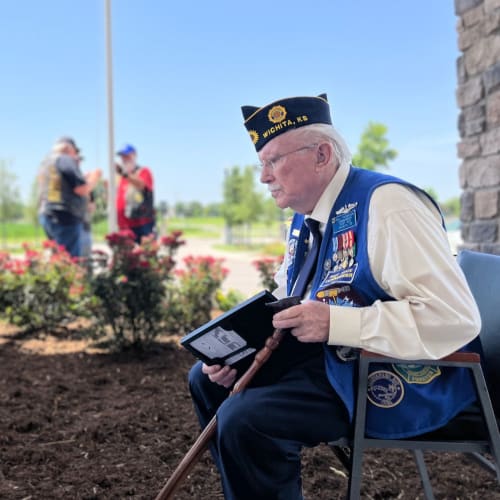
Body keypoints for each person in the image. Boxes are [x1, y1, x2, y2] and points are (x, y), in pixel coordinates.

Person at [188, 94, 482, 499]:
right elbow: (288, 294)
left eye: (273, 161)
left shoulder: (389, 204)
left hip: (398, 371)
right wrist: (238, 348)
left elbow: (453, 318)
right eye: (261, 164)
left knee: (246, 419)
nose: (263, 177)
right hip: (335, 358)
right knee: (208, 380)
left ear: (322, 154)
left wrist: (333, 323)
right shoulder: (304, 217)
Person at [41, 137, 101, 258]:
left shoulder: (47, 163)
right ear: (68, 149)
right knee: (70, 262)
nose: (76, 156)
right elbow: (81, 189)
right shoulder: (65, 159)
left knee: (59, 259)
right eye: (75, 152)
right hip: (65, 217)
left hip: (49, 214)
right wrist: (95, 178)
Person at [115, 144, 155, 243]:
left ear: (135, 156)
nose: (124, 159)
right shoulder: (120, 178)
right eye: (122, 156)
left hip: (141, 226)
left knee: (143, 255)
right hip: (123, 226)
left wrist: (124, 174)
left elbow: (141, 185)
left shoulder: (143, 171)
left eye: (127, 156)